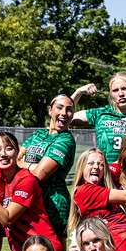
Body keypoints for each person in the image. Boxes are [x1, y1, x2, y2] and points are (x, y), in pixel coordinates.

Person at [0, 132, 65, 251]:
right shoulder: (0, 181)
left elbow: (7, 218)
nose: (3, 154)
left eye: (9, 148)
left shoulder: (26, 179)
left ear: (17, 152)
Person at [20, 94, 77, 238]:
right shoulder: (38, 134)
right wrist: (32, 165)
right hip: (30, 202)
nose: (64, 113)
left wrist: (22, 164)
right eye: (59, 107)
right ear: (50, 110)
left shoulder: (65, 140)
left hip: (53, 206)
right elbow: (14, 159)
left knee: (53, 249)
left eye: (69, 110)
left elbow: (39, 174)